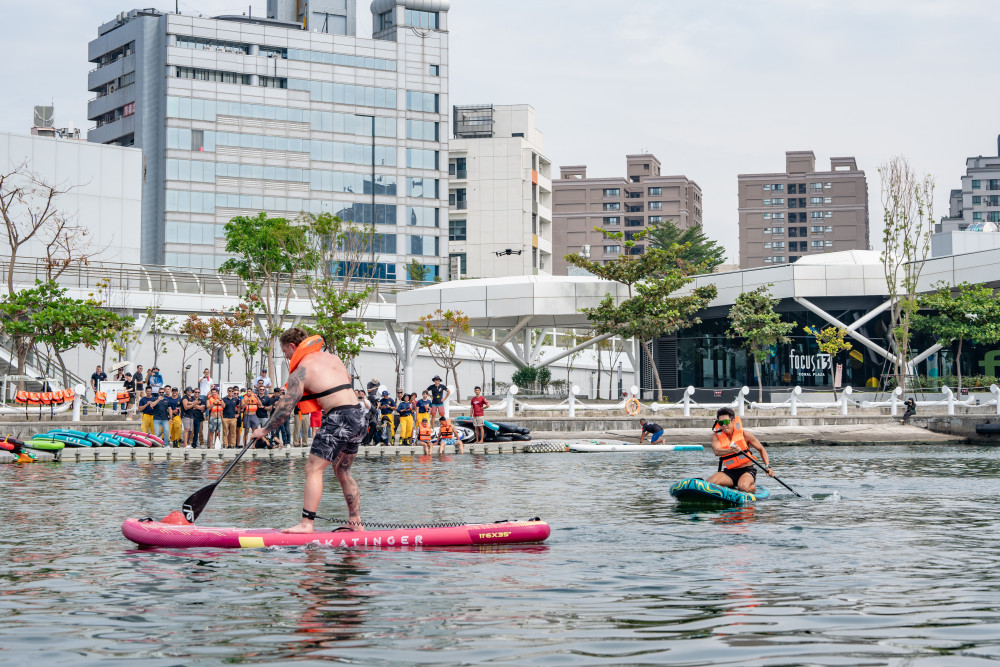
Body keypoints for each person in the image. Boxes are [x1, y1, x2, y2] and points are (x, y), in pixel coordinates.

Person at [249, 327, 366, 533]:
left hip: (340, 417)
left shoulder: (301, 370)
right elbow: (346, 380)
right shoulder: (333, 358)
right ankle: (356, 522)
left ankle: (306, 524)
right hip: (359, 415)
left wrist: (264, 430)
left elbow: (285, 408)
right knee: (342, 469)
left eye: (285, 352)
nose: (286, 357)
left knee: (313, 469)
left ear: (293, 346)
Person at [706, 407, 775, 494]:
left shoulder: (745, 434)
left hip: (747, 470)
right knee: (709, 484)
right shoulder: (716, 436)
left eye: (726, 422)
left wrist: (767, 467)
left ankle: (752, 488)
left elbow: (761, 449)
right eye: (721, 422)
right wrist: (733, 450)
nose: (723, 425)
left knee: (743, 487)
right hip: (730, 472)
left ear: (733, 420)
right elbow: (717, 451)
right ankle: (731, 485)